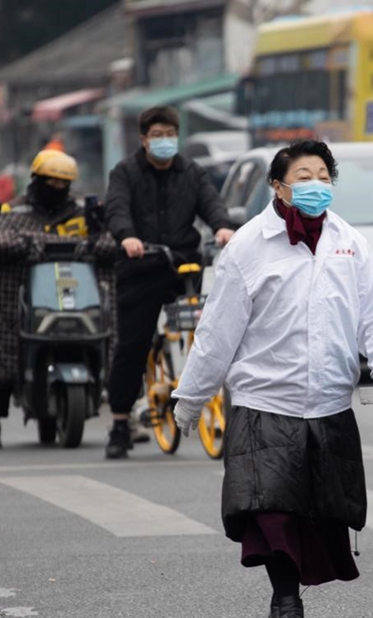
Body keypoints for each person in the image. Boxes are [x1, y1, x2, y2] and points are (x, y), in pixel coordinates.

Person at [171, 139, 373, 618]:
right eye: (304, 176)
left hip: (327, 401)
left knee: (318, 513)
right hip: (264, 400)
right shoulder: (249, 247)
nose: (316, 186)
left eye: (324, 175)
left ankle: (293, 593)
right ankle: (285, 603)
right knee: (271, 509)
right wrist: (191, 398)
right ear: (277, 186)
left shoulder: (349, 242)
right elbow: (218, 332)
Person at [103, 106, 236, 459]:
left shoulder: (192, 172)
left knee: (211, 329)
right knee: (132, 345)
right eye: (157, 135)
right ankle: (119, 421)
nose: (164, 141)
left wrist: (222, 226)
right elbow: (116, 208)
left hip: (182, 264)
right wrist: (127, 237)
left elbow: (211, 203)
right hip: (139, 265)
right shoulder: (125, 172)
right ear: (144, 139)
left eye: (169, 135)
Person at [0, 151, 117, 449]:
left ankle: (127, 415)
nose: (56, 188)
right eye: (50, 182)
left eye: (63, 183)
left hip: (77, 300)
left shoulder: (83, 213)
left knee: (117, 346)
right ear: (36, 180)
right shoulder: (15, 212)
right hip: (21, 301)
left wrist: (94, 244)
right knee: (1, 352)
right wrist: (26, 245)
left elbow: (109, 242)